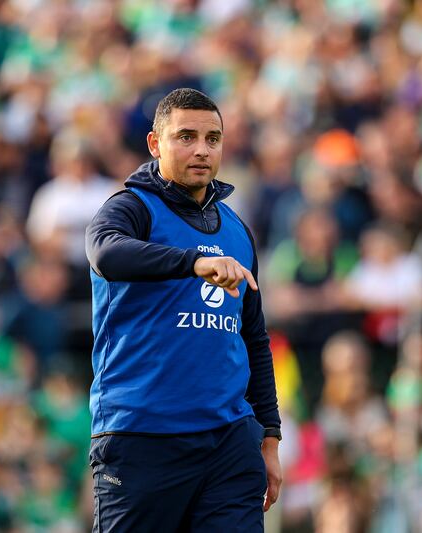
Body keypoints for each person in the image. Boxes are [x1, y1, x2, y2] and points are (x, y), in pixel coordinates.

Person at [85, 88, 282, 532]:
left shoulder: (236, 229)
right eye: (186, 137)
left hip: (229, 441)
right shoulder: (130, 208)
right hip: (142, 435)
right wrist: (193, 262)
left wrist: (269, 436)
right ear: (156, 144)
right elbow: (106, 254)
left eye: (212, 139)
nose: (201, 149)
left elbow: (253, 338)